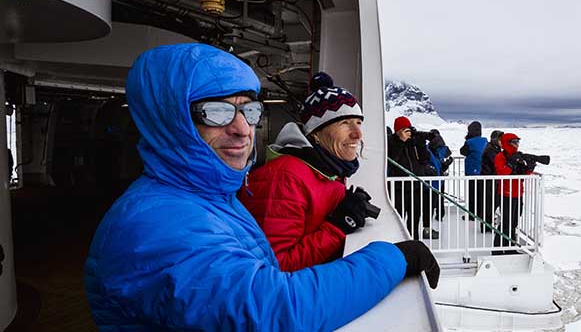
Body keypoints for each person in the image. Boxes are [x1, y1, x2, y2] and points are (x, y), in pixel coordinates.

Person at [85, 43, 439, 331]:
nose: (242, 129)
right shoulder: (155, 225)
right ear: (171, 121)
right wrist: (389, 256)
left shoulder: (212, 194)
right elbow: (272, 310)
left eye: (249, 111)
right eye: (216, 111)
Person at [240, 72, 369, 271]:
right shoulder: (284, 179)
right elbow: (275, 267)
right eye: (344, 123)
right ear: (316, 133)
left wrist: (342, 209)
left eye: (358, 122)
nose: (357, 134)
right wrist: (338, 225)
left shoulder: (329, 169)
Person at [387, 116, 438, 239]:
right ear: (398, 131)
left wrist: (421, 144)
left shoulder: (414, 142)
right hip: (398, 188)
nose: (408, 132)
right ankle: (398, 243)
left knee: (414, 219)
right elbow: (392, 160)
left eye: (408, 129)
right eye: (404, 129)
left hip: (415, 187)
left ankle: (414, 241)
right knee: (398, 219)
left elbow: (425, 160)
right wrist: (401, 142)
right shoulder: (391, 141)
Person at [492, 132, 537, 255]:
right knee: (507, 222)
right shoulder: (500, 157)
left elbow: (521, 176)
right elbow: (502, 173)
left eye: (518, 141)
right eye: (514, 142)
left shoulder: (517, 156)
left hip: (518, 193)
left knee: (514, 222)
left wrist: (529, 168)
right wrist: (511, 163)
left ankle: (510, 248)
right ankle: (497, 249)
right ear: (507, 143)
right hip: (506, 193)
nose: (517, 144)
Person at [459, 121, 487, 221]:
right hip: (483, 170)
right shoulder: (485, 141)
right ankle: (481, 213)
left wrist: (467, 140)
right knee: (481, 193)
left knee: (472, 194)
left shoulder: (470, 142)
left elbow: (462, 151)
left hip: (472, 171)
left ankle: (471, 214)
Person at [479, 130, 504, 231]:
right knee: (489, 203)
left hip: (492, 180)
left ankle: (487, 225)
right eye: (500, 140)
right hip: (489, 180)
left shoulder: (495, 149)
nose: (502, 142)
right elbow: (497, 163)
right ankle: (485, 226)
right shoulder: (491, 150)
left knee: (492, 202)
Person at [427, 129, 453, 221]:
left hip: (435, 178)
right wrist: (447, 164)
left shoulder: (430, 149)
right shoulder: (441, 148)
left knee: (432, 199)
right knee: (439, 197)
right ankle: (440, 215)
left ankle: (436, 215)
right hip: (439, 177)